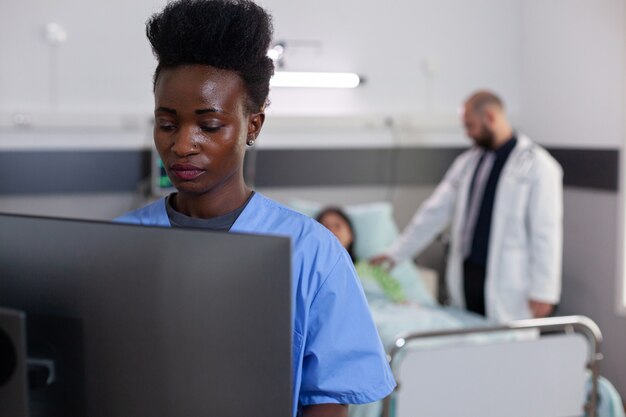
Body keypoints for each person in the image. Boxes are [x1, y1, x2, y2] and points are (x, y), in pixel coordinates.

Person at [114, 1, 395, 416]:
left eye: (209, 126)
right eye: (167, 123)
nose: (182, 144)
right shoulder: (118, 243)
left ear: (254, 126)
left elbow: (328, 401)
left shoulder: (311, 252)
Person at [371, 90, 563, 323]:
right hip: (468, 274)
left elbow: (546, 231)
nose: (467, 133)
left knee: (512, 350)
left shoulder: (539, 166)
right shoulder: (468, 163)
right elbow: (434, 213)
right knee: (471, 343)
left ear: (490, 118)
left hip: (510, 282)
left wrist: (544, 290)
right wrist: (397, 252)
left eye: (470, 125)